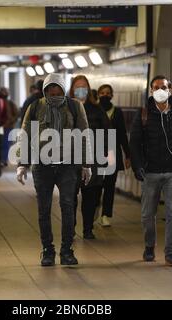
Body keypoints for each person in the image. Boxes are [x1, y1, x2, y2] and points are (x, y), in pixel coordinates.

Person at [16, 73, 91, 266]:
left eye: (58, 90)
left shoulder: (75, 106)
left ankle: (67, 250)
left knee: (68, 207)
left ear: (64, 89)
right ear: (45, 90)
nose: (55, 93)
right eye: (51, 90)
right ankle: (47, 250)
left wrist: (86, 163)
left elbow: (84, 135)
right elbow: (25, 135)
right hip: (42, 166)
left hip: (67, 165)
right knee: (44, 209)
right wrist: (22, 163)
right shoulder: (35, 107)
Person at [129, 75, 172, 267]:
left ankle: (171, 252)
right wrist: (138, 166)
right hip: (150, 171)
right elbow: (134, 143)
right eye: (156, 87)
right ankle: (149, 246)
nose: (160, 90)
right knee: (147, 214)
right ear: (151, 91)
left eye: (164, 87)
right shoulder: (143, 114)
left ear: (170, 90)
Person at [69, 75, 110, 239]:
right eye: (77, 86)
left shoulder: (97, 109)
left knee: (91, 196)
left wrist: (106, 154)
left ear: (88, 89)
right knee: (70, 196)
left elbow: (106, 131)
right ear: (72, 89)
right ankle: (70, 229)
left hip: (92, 159)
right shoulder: (66, 108)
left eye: (84, 86)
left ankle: (87, 228)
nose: (81, 90)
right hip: (71, 159)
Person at [96, 84, 131, 227]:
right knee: (96, 185)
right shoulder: (94, 110)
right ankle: (94, 210)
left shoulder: (117, 112)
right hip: (96, 152)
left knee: (110, 185)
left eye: (108, 93)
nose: (105, 95)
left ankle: (106, 214)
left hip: (112, 152)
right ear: (98, 94)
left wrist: (127, 155)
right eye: (102, 93)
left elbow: (122, 134)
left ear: (112, 95)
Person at [0, 87, 19, 166]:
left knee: (5, 143)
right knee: (0, 144)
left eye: (5, 92)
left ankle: (3, 160)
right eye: (2, 92)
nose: (4, 94)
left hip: (8, 127)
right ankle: (1, 159)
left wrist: (11, 121)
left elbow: (17, 114)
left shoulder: (10, 103)